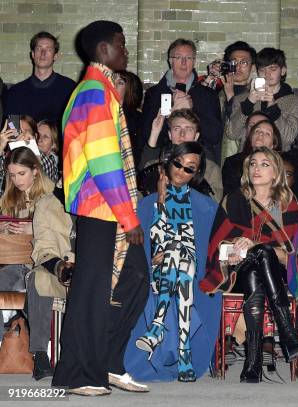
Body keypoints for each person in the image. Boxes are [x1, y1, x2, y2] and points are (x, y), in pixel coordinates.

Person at [52, 20, 149, 396]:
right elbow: (105, 162)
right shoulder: (94, 91)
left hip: (109, 206)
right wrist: (129, 218)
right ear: (103, 50)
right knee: (91, 290)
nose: (126, 51)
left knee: (136, 276)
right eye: (121, 44)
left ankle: (107, 361)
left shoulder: (103, 89)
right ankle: (76, 373)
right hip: (99, 207)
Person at [200, 147, 298, 383]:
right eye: (253, 164)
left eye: (264, 164)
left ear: (276, 171)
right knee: (257, 260)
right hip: (236, 270)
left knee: (262, 257)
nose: (257, 169)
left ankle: (253, 361)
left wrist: (255, 246)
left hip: (277, 270)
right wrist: (235, 251)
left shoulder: (287, 202)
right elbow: (217, 245)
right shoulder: (234, 199)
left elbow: (291, 253)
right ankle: (286, 332)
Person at [126, 142, 221, 382]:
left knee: (178, 256)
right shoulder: (147, 204)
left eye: (189, 169)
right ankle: (184, 354)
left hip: (192, 274)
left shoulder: (207, 206)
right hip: (154, 274)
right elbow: (140, 249)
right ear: (168, 163)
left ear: (196, 173)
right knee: (174, 255)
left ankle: (157, 329)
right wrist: (160, 198)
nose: (180, 171)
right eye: (177, 163)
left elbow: (214, 253)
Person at [142, 39, 223, 163]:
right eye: (179, 57)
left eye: (189, 58)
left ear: (194, 62)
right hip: (163, 161)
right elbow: (148, 136)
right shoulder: (154, 94)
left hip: (199, 162)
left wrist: (191, 110)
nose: (184, 63)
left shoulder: (208, 95)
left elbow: (214, 136)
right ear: (171, 61)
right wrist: (171, 114)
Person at [27, 184, 72, 381]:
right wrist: (60, 266)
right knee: (38, 279)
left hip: (93, 270)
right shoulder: (46, 204)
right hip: (60, 271)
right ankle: (40, 355)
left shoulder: (96, 200)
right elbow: (43, 247)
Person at [227, 48, 298, 151]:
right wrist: (248, 104)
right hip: (247, 158)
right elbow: (232, 134)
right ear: (257, 72)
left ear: (283, 70)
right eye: (262, 70)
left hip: (278, 160)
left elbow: (288, 138)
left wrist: (273, 107)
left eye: (272, 69)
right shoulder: (242, 99)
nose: (267, 74)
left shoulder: (295, 102)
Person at [0, 147, 55, 287]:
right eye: (12, 175)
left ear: (35, 170)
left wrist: (35, 228)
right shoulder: (9, 198)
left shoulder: (51, 197)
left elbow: (63, 235)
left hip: (42, 267)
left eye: (21, 173)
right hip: (13, 263)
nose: (16, 180)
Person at [138, 108, 221, 200]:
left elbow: (213, 208)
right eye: (177, 129)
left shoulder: (210, 170)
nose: (182, 134)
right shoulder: (153, 167)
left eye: (188, 129)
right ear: (170, 134)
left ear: (196, 136)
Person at [2, 31, 75, 125]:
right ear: (33, 54)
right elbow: (11, 128)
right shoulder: (16, 92)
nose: (43, 53)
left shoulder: (70, 89)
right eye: (39, 48)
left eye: (48, 49)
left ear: (55, 56)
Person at [222, 118, 282, 197]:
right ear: (251, 138)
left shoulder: (281, 164)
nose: (260, 134)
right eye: (257, 131)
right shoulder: (233, 162)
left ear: (273, 145)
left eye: (267, 133)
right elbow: (230, 195)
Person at [219, 41, 257, 162]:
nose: (238, 67)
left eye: (244, 62)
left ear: (253, 67)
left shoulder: (256, 96)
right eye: (234, 62)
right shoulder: (216, 94)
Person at [116, 71, 144, 168]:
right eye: (112, 80)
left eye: (120, 83)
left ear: (130, 90)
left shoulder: (137, 120)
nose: (112, 84)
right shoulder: (101, 113)